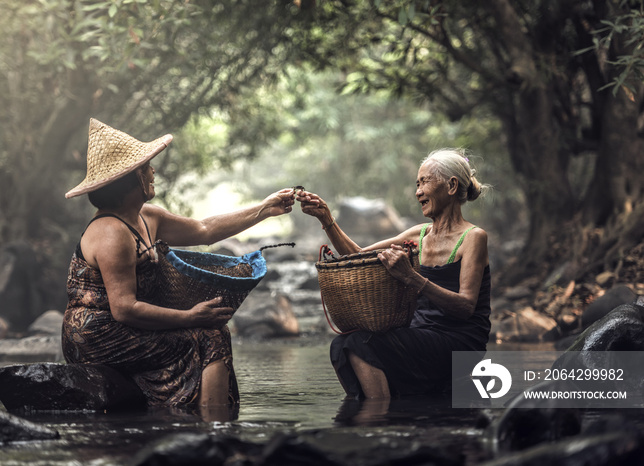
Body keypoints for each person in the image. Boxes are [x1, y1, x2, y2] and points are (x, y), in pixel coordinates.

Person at [63, 118, 295, 417]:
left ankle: (205, 421)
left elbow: (203, 229)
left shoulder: (146, 216)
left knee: (213, 330)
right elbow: (124, 308)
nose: (153, 171)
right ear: (132, 179)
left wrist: (264, 209)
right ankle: (214, 426)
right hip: (98, 335)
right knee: (210, 335)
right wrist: (188, 316)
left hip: (125, 325)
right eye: (146, 168)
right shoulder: (111, 232)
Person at [297, 148, 491, 399]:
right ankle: (382, 417)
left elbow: (466, 307)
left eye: (425, 182)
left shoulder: (473, 237)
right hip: (421, 332)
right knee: (344, 343)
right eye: (417, 184)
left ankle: (378, 417)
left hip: (459, 342)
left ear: (452, 186)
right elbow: (358, 257)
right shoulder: (418, 235)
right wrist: (327, 219)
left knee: (360, 344)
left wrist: (410, 277)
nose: (418, 191)